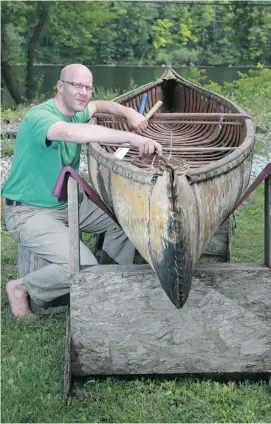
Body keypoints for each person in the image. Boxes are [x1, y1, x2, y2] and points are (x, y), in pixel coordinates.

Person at [2, 64, 163, 318]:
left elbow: (100, 106)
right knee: (81, 264)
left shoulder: (76, 111)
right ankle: (21, 288)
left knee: (124, 221)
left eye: (88, 87)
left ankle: (107, 282)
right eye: (76, 85)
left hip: (67, 201)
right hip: (29, 211)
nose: (84, 92)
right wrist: (131, 139)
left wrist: (129, 112)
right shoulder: (40, 116)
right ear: (60, 86)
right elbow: (71, 133)